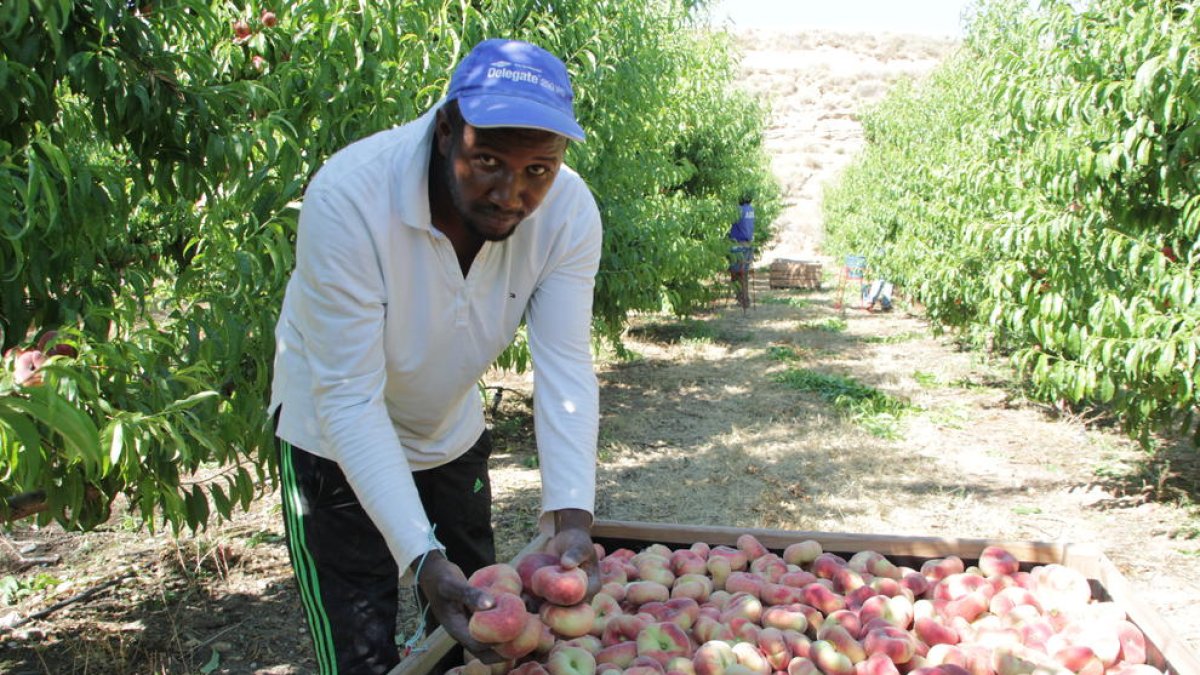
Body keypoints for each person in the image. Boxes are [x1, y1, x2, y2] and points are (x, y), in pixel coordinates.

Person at [268, 38, 603, 675]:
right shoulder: (350, 197)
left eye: (540, 168)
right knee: (360, 649)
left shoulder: (568, 214)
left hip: (447, 430)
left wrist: (571, 515)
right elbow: (347, 396)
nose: (512, 192)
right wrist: (420, 560)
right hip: (329, 439)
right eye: (488, 161)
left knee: (469, 642)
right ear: (447, 129)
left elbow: (565, 364)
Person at [728, 198, 755, 307]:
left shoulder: (738, 210)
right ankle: (745, 298)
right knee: (744, 273)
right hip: (748, 245)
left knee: (735, 272)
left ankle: (741, 298)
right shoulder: (750, 209)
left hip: (738, 245)